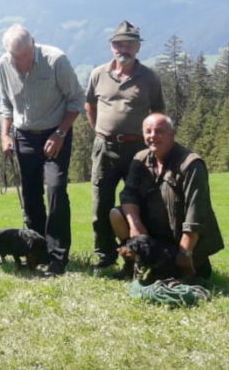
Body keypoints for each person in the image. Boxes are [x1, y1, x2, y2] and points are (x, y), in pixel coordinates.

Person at [0, 24, 85, 276]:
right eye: (17, 57)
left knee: (56, 189)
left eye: (26, 55)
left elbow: (76, 99)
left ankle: (58, 256)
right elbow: (5, 102)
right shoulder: (3, 63)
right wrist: (5, 134)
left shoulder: (56, 60)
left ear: (33, 44)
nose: (22, 62)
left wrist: (60, 133)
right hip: (23, 135)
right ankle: (37, 250)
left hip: (55, 132)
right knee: (31, 195)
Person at [84, 20, 165, 270]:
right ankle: (105, 255)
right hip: (105, 148)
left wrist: (155, 145)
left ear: (138, 48)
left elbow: (158, 111)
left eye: (129, 44)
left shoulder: (149, 78)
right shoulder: (98, 73)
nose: (124, 49)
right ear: (112, 47)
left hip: (138, 151)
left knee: (140, 204)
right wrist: (99, 130)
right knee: (101, 204)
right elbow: (90, 104)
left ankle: (139, 254)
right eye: (119, 44)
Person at [111, 113, 224, 281]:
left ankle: (191, 263)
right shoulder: (140, 160)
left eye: (159, 131)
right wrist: (136, 226)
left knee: (185, 276)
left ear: (172, 133)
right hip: (154, 236)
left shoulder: (191, 164)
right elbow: (128, 194)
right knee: (116, 214)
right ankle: (133, 264)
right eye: (148, 131)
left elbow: (197, 213)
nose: (153, 136)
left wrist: (185, 252)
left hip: (183, 239)